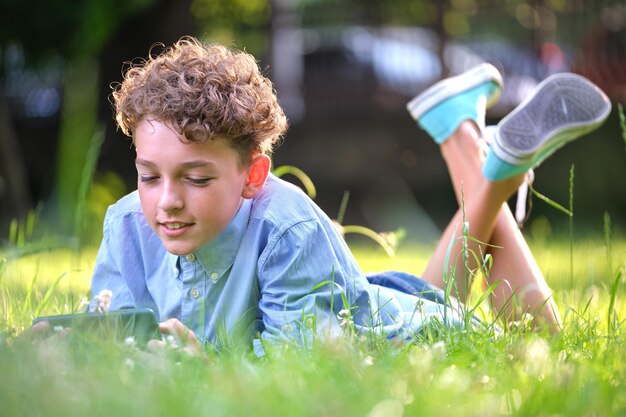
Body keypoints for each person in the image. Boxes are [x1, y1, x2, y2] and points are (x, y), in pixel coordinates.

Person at [87, 36, 611, 356]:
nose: (166, 202)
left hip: (408, 340)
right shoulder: (126, 225)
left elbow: (298, 368)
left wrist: (202, 364)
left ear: (253, 176)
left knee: (543, 345)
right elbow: (115, 333)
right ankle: (473, 153)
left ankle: (488, 171)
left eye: (196, 179)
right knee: (419, 297)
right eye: (149, 176)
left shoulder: (287, 228)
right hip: (370, 303)